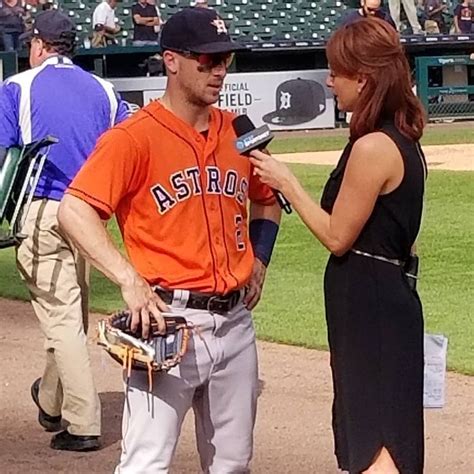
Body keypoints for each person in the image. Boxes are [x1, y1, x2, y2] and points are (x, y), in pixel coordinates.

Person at [58, 6, 281, 473]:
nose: (218, 71)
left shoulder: (236, 133)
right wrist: (126, 278)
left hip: (236, 323)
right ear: (171, 60)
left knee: (233, 464)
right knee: (147, 463)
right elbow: (74, 210)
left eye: (225, 60)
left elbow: (267, 199)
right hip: (166, 324)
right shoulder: (133, 139)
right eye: (207, 60)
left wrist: (259, 258)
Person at [250, 18, 426, 474]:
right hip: (379, 296)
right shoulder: (396, 138)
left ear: (363, 79)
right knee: (371, 421)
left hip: (371, 305)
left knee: (376, 432)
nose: (329, 82)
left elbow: (337, 235)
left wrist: (287, 182)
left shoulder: (374, 147)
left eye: (336, 72)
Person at [0, 9, 129, 451]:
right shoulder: (107, 91)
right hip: (90, 215)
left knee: (62, 320)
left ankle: (83, 423)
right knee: (69, 316)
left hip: (41, 210)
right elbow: (129, 151)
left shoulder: (18, 86)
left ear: (38, 45)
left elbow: (2, 158)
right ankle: (51, 400)